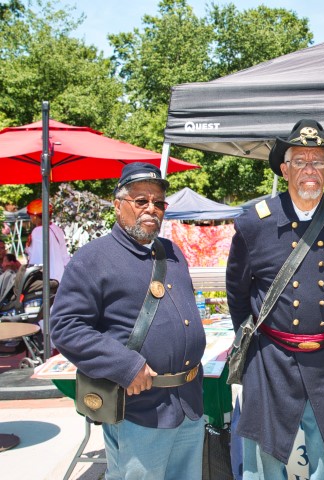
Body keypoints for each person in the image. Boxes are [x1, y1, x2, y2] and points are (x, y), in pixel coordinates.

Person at [226, 119, 324, 480]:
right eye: (300, 161)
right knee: (265, 465)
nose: (309, 170)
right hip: (272, 359)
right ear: (284, 168)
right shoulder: (254, 223)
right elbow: (237, 294)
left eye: (317, 161)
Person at [51, 162, 206, 479]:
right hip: (140, 410)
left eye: (159, 202)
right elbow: (66, 328)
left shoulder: (172, 252)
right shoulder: (93, 258)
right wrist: (125, 365)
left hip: (188, 402)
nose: (152, 209)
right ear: (117, 203)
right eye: (141, 201)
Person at [25, 199, 71, 281]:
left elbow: (35, 256)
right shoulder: (57, 229)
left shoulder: (38, 231)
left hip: (46, 277)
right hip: (60, 275)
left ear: (35, 216)